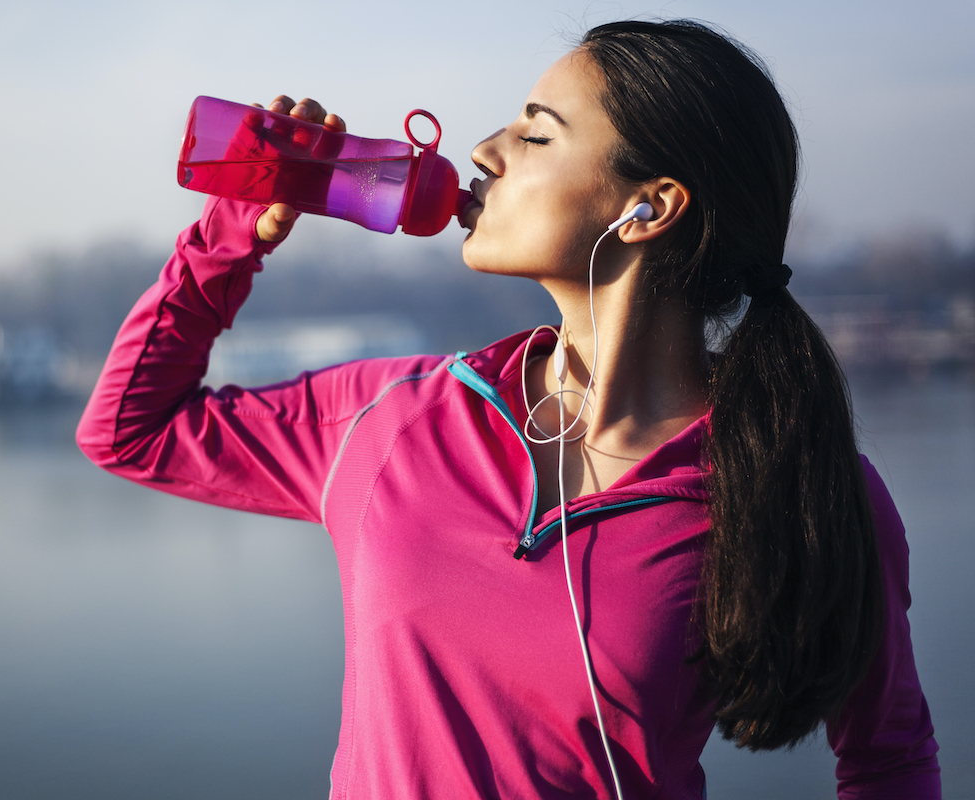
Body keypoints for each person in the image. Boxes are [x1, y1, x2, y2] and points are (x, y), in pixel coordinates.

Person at [77, 19, 940, 800]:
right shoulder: (395, 416)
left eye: (535, 133)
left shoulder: (800, 483)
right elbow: (129, 430)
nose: (484, 151)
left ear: (649, 208)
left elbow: (888, 761)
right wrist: (232, 227)